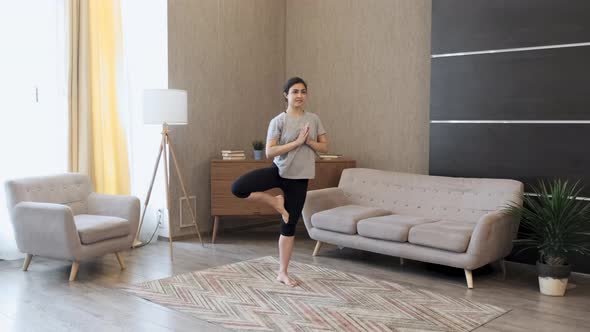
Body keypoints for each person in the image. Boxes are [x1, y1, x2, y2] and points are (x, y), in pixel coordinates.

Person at [231, 77, 329, 287]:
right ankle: (275, 202)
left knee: (289, 225)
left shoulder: (314, 119)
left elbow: (324, 147)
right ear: (286, 95)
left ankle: (282, 272)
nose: (300, 96)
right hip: (279, 171)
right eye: (295, 92)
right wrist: (296, 143)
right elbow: (270, 151)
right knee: (238, 187)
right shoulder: (278, 121)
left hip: (300, 179)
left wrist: (308, 141)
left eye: (303, 91)